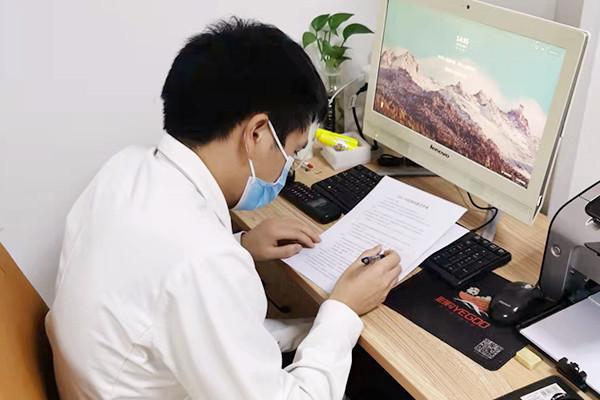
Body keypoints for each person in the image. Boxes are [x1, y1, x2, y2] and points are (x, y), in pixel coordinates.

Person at [46, 17, 402, 400]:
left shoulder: (125, 167)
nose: (289, 169)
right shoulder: (203, 262)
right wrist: (343, 310)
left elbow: (159, 285)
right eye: (294, 152)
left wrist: (241, 244)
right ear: (257, 134)